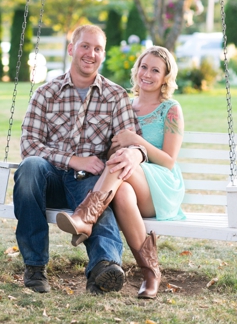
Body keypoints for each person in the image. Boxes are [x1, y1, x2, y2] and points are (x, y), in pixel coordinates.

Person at [14, 24, 147, 294]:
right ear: (71, 49)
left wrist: (135, 152)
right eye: (85, 46)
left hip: (88, 183)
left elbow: (134, 141)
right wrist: (73, 160)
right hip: (48, 180)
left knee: (98, 195)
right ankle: (35, 267)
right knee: (29, 168)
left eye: (98, 49)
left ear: (103, 55)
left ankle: (103, 269)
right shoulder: (45, 94)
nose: (91, 53)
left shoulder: (115, 96)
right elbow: (29, 145)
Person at [56, 45, 186, 299]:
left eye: (155, 70)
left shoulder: (171, 109)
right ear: (136, 69)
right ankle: (151, 273)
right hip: (126, 181)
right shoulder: (124, 103)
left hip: (159, 186)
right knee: (123, 190)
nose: (147, 74)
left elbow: (169, 161)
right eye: (144, 67)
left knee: (124, 158)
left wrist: (134, 142)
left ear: (165, 77)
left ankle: (85, 216)